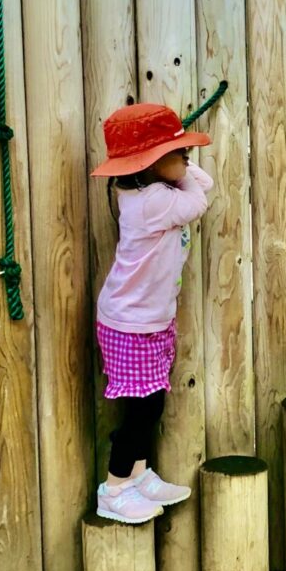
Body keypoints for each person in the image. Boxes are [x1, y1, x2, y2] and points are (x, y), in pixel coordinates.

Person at [90, 102, 214, 523]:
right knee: (141, 411)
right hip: (132, 324)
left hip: (147, 319)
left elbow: (202, 183)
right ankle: (114, 488)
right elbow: (200, 200)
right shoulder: (153, 201)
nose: (187, 157)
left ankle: (138, 475)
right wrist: (178, 171)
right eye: (178, 151)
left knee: (151, 402)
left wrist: (176, 164)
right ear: (148, 164)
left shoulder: (150, 192)